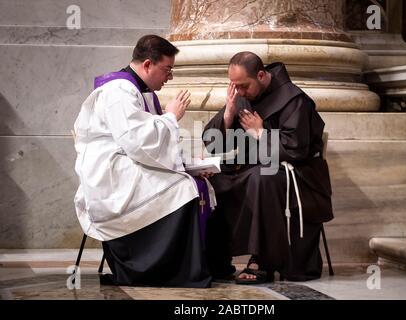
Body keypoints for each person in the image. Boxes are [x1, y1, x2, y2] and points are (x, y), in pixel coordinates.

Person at [73, 35, 212, 288]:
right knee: (184, 189)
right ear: (148, 64)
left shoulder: (140, 92)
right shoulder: (119, 91)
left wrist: (190, 163)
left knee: (192, 183)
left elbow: (153, 146)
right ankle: (154, 269)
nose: (169, 77)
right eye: (167, 70)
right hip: (110, 175)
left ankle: (180, 267)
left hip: (127, 164)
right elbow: (138, 143)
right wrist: (171, 116)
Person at [203, 51, 333, 284]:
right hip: (256, 167)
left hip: (299, 175)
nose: (240, 92)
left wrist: (261, 133)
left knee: (260, 178)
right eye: (235, 87)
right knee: (214, 180)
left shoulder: (294, 100)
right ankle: (217, 260)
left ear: (261, 75)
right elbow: (214, 145)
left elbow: (296, 150)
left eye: (244, 86)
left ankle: (262, 261)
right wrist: (229, 113)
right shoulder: (243, 99)